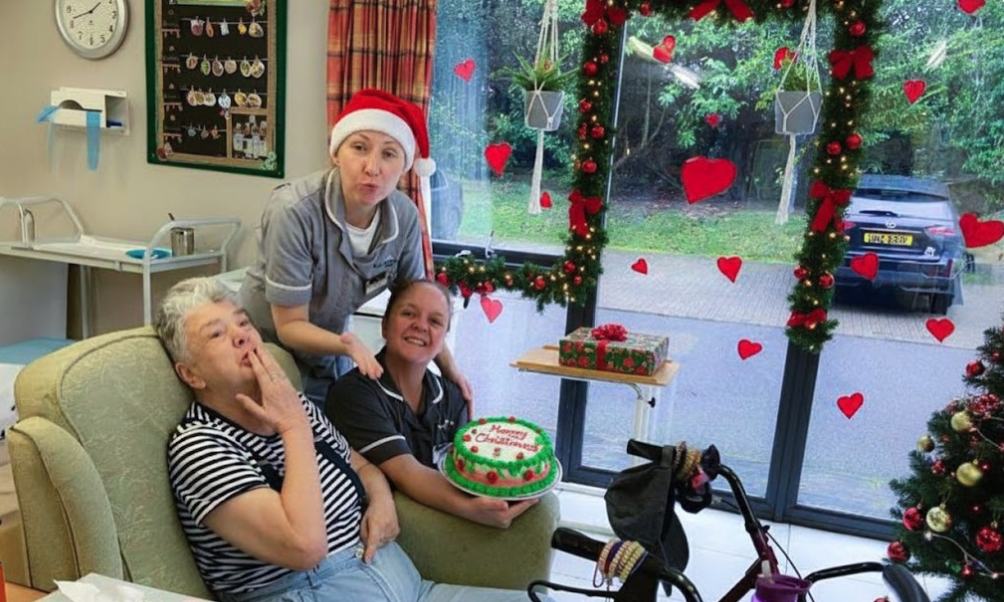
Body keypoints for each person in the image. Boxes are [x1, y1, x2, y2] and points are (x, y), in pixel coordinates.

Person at [157, 277, 544, 602]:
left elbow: (359, 463)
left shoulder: (296, 407)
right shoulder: (201, 447)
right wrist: (293, 428)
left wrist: (380, 499)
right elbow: (304, 547)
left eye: (243, 324)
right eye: (217, 334)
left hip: (409, 586)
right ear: (191, 375)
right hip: (311, 589)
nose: (242, 337)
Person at [238, 88, 471, 407]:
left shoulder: (404, 216)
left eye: (389, 154)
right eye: (359, 148)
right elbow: (290, 326)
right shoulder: (294, 212)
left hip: (331, 351)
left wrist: (450, 369)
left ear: (405, 165)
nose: (373, 167)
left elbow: (420, 302)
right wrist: (348, 345)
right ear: (336, 152)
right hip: (266, 349)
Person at [326, 279, 538, 528]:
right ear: (384, 325)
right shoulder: (354, 394)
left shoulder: (453, 397)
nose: (420, 326)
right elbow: (406, 473)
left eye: (435, 321)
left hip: (442, 517)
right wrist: (471, 509)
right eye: (408, 313)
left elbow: (464, 474)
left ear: (443, 339)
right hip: (376, 524)